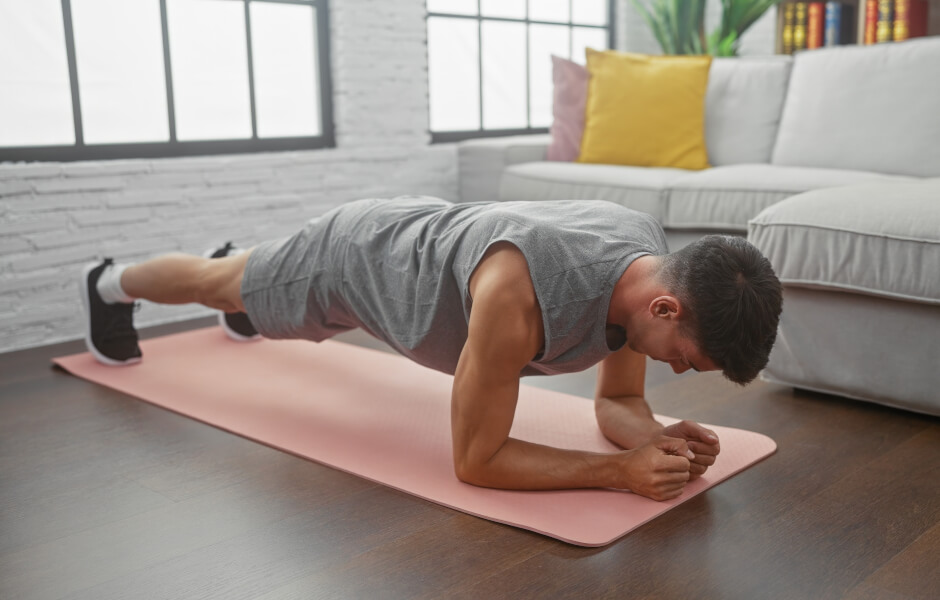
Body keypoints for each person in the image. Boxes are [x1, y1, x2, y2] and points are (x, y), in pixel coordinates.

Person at [80, 196, 782, 501]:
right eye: (688, 356)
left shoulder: (649, 267)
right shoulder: (520, 294)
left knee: (246, 283)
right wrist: (618, 474)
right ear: (667, 306)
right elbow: (477, 461)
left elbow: (622, 399)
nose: (681, 370)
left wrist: (656, 441)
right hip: (355, 261)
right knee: (219, 286)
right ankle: (109, 282)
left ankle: (248, 268)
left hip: (423, 238)